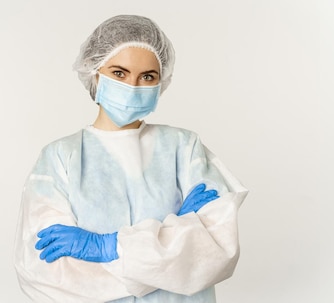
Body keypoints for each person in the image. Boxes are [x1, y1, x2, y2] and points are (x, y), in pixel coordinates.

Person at [13, 14, 248, 303]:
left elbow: (215, 252)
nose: (134, 86)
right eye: (119, 73)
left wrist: (109, 247)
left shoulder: (185, 148)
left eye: (148, 76)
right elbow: (46, 276)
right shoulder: (59, 159)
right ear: (94, 72)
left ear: (162, 82)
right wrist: (172, 243)